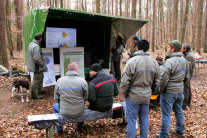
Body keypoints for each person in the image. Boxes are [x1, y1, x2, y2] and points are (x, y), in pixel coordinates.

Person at [121, 40, 160, 138]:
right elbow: (158, 81)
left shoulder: (132, 61)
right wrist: (152, 91)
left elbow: (125, 81)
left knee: (132, 120)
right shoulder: (154, 62)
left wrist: (125, 93)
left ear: (138, 48)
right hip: (146, 95)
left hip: (133, 95)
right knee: (144, 119)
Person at [154, 40, 190, 138]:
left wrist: (160, 90)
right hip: (179, 91)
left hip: (169, 92)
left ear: (173, 49)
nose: (168, 49)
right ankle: (180, 131)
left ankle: (164, 135)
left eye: (169, 47)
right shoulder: (185, 61)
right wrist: (180, 86)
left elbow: (163, 78)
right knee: (179, 111)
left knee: (166, 114)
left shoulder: (170, 61)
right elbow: (187, 77)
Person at [53, 62, 88, 135]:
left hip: (64, 112)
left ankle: (59, 130)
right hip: (79, 111)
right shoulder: (83, 81)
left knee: (55, 107)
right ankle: (80, 127)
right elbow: (86, 97)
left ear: (67, 70)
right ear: (76, 70)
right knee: (82, 105)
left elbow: (56, 98)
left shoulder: (59, 81)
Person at [27, 33, 47, 99]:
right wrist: (42, 64)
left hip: (33, 65)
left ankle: (39, 90)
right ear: (40, 39)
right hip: (37, 66)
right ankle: (35, 95)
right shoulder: (36, 46)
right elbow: (36, 58)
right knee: (36, 80)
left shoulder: (31, 44)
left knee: (40, 77)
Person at [181, 44, 195, 109]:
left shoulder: (189, 56)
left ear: (185, 49)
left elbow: (188, 68)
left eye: (182, 48)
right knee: (187, 88)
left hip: (187, 75)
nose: (181, 49)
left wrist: (186, 76)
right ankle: (187, 102)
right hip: (187, 75)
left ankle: (185, 104)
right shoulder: (186, 54)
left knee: (186, 89)